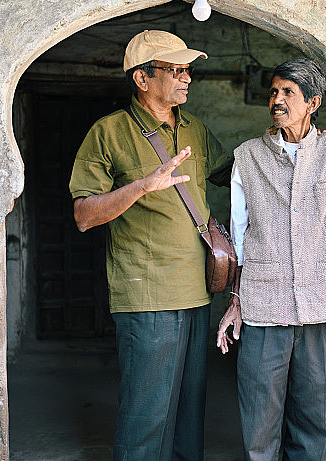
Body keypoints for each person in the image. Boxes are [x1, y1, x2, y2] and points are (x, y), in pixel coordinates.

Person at [216, 58, 326, 461]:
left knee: (315, 423)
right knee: (260, 424)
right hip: (264, 308)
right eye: (274, 92)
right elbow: (239, 234)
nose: (277, 100)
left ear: (312, 103)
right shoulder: (247, 157)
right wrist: (237, 300)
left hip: (321, 304)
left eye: (288, 93)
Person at [69, 30, 230, 461]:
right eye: (174, 70)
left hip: (196, 289)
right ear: (142, 79)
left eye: (187, 70)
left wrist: (289, 136)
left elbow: (233, 173)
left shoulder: (193, 127)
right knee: (147, 416)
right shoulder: (110, 133)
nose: (186, 79)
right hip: (147, 292)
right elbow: (84, 215)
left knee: (188, 413)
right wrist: (141, 186)